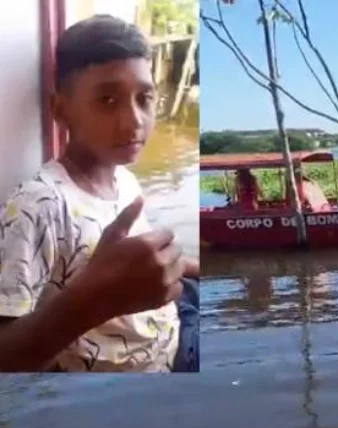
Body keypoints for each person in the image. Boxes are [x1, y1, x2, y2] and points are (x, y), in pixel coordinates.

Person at [0, 14, 199, 372]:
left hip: (177, 328)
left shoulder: (124, 180)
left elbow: (144, 264)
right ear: (60, 110)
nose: (135, 120)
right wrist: (92, 301)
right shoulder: (40, 205)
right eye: (108, 100)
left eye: (144, 98)